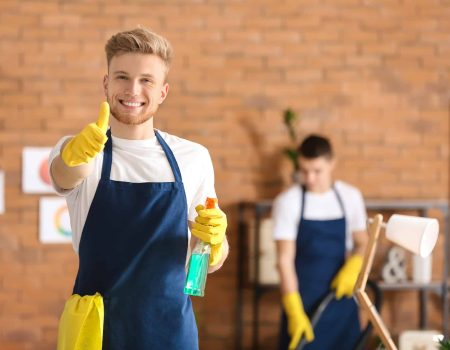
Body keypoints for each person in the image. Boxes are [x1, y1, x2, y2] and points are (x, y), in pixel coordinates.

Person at [49, 27, 229, 350]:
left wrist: (216, 244)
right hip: (96, 334)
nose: (133, 89)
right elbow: (64, 175)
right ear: (106, 84)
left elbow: (207, 261)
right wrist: (72, 157)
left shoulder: (193, 158)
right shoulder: (81, 151)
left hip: (171, 333)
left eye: (147, 80)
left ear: (163, 91)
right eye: (121, 77)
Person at [272, 134, 368, 350]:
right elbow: (284, 261)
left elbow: (363, 242)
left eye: (317, 171)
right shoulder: (288, 202)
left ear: (332, 163)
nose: (310, 178)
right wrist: (294, 310)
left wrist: (355, 265)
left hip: (342, 300)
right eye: (304, 171)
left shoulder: (350, 197)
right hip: (303, 303)